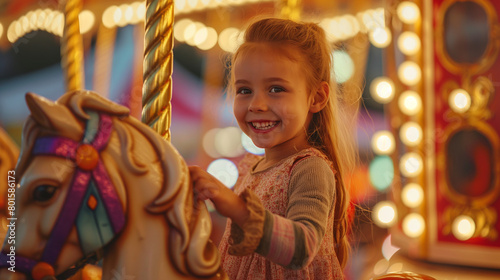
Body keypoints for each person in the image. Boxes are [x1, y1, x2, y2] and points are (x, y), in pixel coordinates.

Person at [189, 17, 359, 279]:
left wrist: (235, 206)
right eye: (244, 90)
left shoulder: (310, 168)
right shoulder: (252, 166)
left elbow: (302, 248)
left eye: (276, 89)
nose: (256, 104)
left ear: (317, 97)